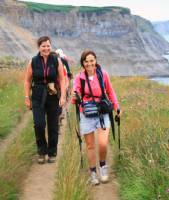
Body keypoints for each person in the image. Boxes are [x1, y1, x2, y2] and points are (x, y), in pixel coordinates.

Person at [72, 50, 120, 185]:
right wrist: (74, 96)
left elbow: (110, 91)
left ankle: (103, 166)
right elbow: (74, 96)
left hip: (103, 113)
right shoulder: (79, 78)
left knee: (103, 143)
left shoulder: (103, 74)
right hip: (86, 114)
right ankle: (93, 173)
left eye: (91, 60)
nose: (89, 64)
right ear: (83, 63)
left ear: (96, 61)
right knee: (90, 146)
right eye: (86, 61)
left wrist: (117, 107)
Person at [24, 36, 66, 164]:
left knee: (53, 125)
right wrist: (27, 97)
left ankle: (52, 152)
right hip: (37, 95)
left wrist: (63, 96)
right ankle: (42, 151)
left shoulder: (56, 60)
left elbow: (62, 79)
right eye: (43, 46)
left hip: (53, 95)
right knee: (39, 124)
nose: (46, 48)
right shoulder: (33, 61)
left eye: (48, 45)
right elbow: (27, 80)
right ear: (39, 47)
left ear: (50, 46)